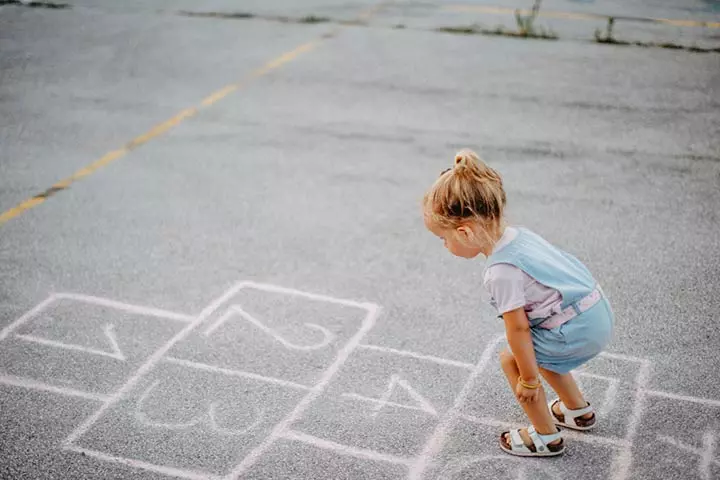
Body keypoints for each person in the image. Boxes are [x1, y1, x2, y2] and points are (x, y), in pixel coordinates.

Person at [422, 149, 614, 457]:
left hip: (576, 329)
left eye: (444, 239)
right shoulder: (518, 236)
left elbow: (519, 330)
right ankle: (577, 411)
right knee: (541, 350)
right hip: (595, 313)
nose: (446, 246)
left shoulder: (501, 272)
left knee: (514, 359)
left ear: (465, 231)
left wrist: (527, 379)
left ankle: (545, 435)